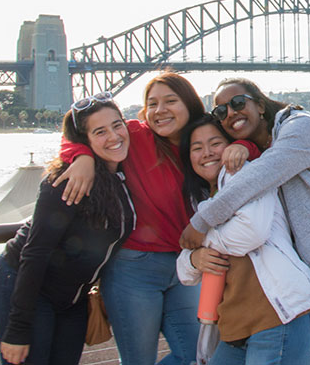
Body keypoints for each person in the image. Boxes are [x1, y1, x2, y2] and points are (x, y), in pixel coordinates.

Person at [179, 78, 310, 365]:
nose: (230, 112)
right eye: (221, 111)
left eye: (238, 103)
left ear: (260, 104)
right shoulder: (263, 148)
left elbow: (259, 176)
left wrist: (201, 221)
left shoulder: (300, 127)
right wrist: (243, 146)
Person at [54, 71, 213, 365]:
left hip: (186, 267)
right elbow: (79, 136)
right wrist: (82, 157)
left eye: (170, 101)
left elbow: (247, 146)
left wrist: (244, 147)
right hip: (134, 269)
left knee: (197, 358)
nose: (160, 110)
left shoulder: (204, 142)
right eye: (152, 104)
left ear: (190, 103)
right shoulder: (135, 136)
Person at [0, 95, 136, 365]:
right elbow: (35, 253)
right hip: (28, 288)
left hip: (72, 299)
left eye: (117, 125)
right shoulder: (69, 181)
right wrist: (18, 328)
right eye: (100, 131)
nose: (114, 136)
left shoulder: (122, 174)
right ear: (85, 140)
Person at [176, 115, 310, 364]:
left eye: (215, 143)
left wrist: (202, 236)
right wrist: (194, 258)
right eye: (197, 148)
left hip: (282, 318)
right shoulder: (198, 200)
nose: (207, 153)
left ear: (232, 146)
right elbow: (184, 271)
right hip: (235, 330)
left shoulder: (247, 175)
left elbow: (250, 233)